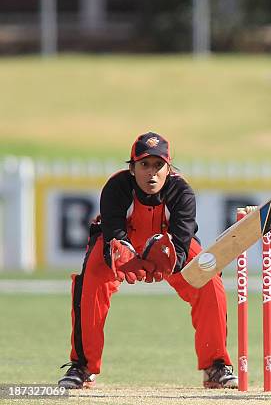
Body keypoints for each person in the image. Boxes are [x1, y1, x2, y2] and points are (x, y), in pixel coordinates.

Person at [58, 132, 238, 389]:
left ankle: (215, 365)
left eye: (158, 165)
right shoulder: (117, 187)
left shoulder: (181, 191)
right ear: (132, 168)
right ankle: (83, 366)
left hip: (169, 247)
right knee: (91, 281)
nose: (151, 173)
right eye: (144, 165)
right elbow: (113, 237)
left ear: (169, 168)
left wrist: (164, 264)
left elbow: (182, 242)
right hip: (123, 244)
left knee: (208, 279)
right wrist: (126, 259)